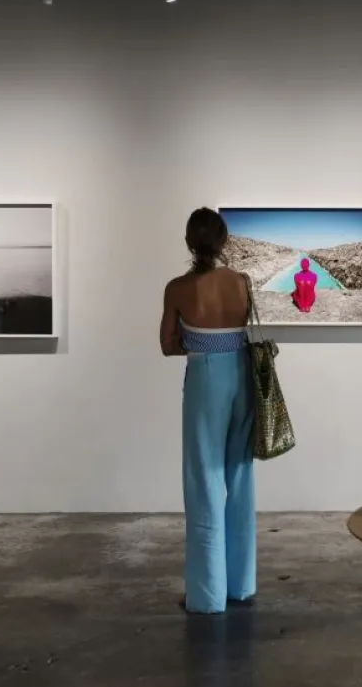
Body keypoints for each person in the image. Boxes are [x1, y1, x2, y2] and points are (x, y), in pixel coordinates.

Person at [159, 207, 257, 615]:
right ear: (224, 242)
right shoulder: (242, 282)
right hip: (243, 374)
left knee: (203, 479)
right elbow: (243, 327)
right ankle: (240, 585)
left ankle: (207, 595)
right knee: (240, 473)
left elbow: (167, 345)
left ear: (188, 242)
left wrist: (198, 344)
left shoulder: (178, 287)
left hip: (205, 378)